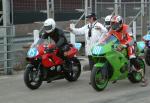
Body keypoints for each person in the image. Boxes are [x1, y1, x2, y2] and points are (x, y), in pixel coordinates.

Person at [100, 15, 148, 87]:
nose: (113, 26)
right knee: (112, 55)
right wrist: (101, 42)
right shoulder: (112, 29)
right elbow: (107, 36)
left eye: (115, 24)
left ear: (120, 23)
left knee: (132, 58)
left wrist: (125, 45)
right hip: (120, 44)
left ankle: (143, 78)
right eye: (112, 24)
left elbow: (131, 39)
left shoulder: (127, 28)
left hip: (130, 44)